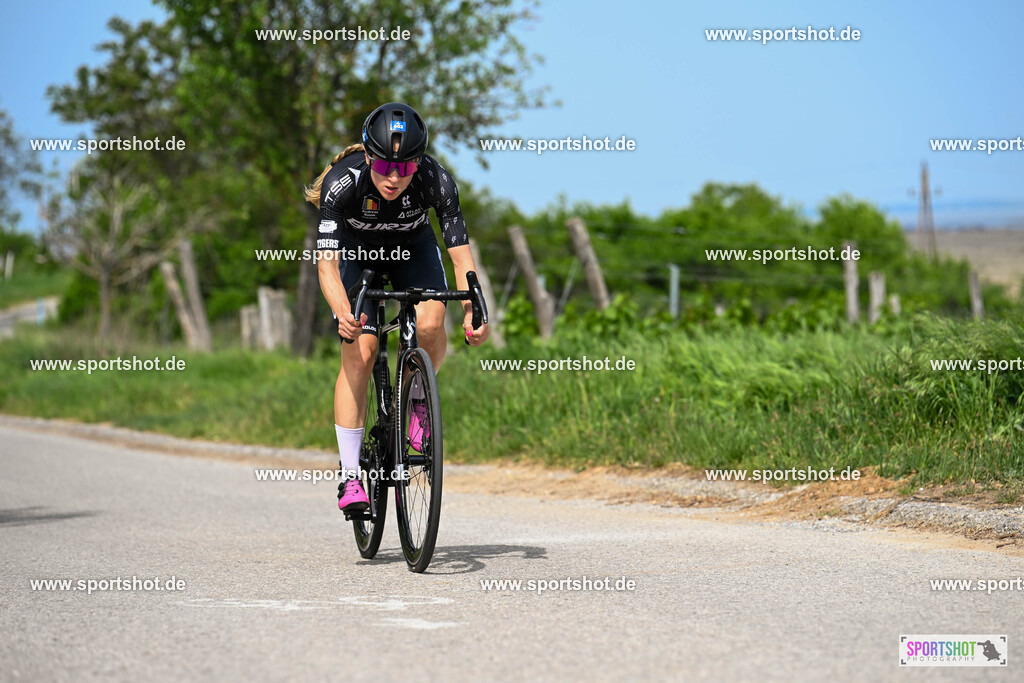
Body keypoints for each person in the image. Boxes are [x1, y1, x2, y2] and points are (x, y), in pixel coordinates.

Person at [304, 102, 490, 512]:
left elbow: (461, 258)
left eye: (405, 169)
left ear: (418, 165)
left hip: (413, 249)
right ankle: (351, 477)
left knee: (431, 320)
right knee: (362, 353)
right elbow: (327, 267)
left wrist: (475, 309)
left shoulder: (437, 181)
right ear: (369, 156)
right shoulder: (343, 183)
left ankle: (418, 399)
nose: (394, 178)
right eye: (386, 166)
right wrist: (344, 314)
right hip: (358, 256)